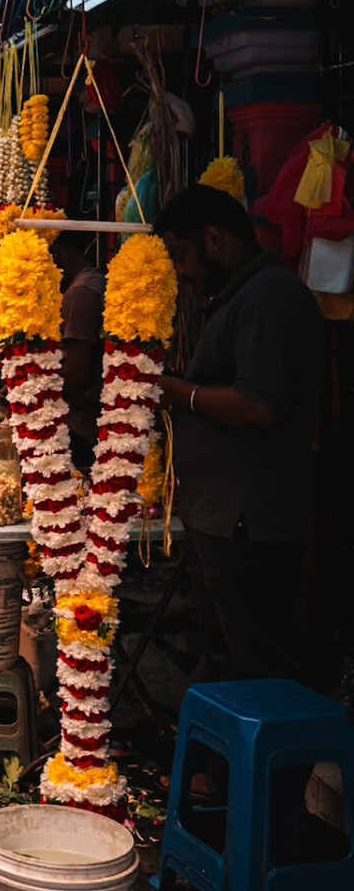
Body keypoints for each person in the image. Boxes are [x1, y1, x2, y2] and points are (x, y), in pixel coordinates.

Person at [154, 185, 326, 682]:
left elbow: (258, 405)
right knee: (229, 657)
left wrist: (180, 392)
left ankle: (287, 760)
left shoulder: (269, 296)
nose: (183, 273)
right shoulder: (243, 297)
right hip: (226, 516)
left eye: (183, 256)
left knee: (261, 659)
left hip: (249, 520)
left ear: (214, 238)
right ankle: (232, 759)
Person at [50, 232, 106, 472]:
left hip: (81, 426)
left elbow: (77, 371)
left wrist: (34, 394)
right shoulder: (89, 282)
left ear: (57, 254)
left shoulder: (80, 293)